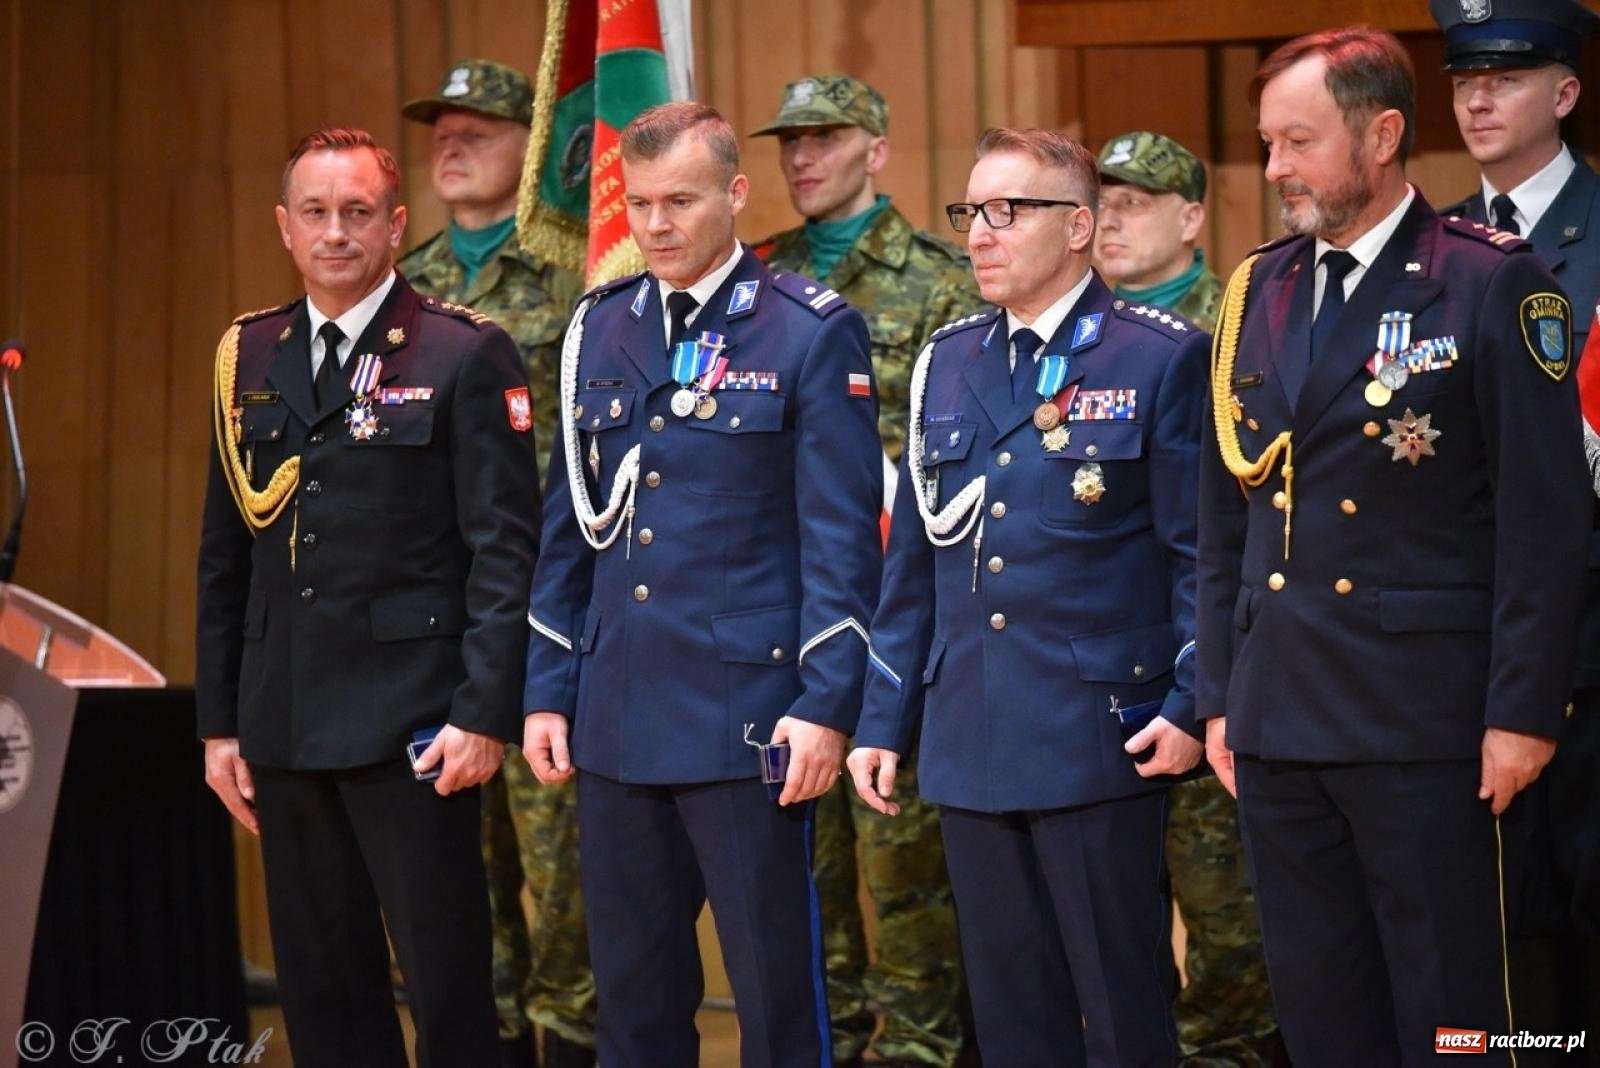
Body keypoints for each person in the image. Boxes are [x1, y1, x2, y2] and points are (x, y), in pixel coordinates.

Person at [1197, 27, 1590, 1066]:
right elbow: (1224, 521)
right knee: (1321, 1015)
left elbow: (1545, 525)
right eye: (1267, 143)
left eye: (1298, 142)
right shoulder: (1257, 289)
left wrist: (1521, 712)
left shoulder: (1487, 281)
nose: (1274, 168)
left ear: (1380, 136)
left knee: (1454, 1021)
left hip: (1423, 719)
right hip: (1278, 717)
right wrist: (1221, 695)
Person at [521, 102, 883, 1068]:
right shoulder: (600, 326)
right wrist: (549, 689)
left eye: (680, 201)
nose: (656, 225)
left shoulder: (806, 331)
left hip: (749, 715)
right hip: (616, 713)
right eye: (640, 203)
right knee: (632, 1002)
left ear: (735, 194)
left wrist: (826, 704)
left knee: (773, 996)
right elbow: (569, 526)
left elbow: (842, 540)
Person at [849, 126, 1209, 1067]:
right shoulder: (949, 360)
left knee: (1123, 1012)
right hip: (969, 734)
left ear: (1079, 226)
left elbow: (1201, 555)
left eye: (1008, 211)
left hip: (1099, 737)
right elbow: (915, 564)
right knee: (1011, 1019)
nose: (979, 233)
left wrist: (1191, 702)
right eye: (971, 211)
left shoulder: (1157, 356)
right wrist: (883, 719)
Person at [196, 127, 540, 1067]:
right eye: (315, 212)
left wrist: (483, 713)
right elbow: (225, 556)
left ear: (396, 225)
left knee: (447, 987)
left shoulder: (464, 353)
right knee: (324, 993)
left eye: (357, 212)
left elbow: (505, 552)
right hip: (285, 720)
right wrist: (220, 724)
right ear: (285, 226)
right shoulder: (248, 355)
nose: (335, 232)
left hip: (416, 726)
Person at [748, 74, 976, 1068]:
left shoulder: (943, 277)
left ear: (877, 150)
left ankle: (925, 1048)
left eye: (826, 138)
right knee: (802, 873)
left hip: (900, 619)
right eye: (789, 141)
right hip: (784, 618)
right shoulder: (756, 279)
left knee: (906, 873)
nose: (802, 157)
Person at [399, 58, 594, 1068]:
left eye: (478, 125)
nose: (452, 140)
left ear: (536, 148)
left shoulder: (579, 276)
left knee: (565, 877)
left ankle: (573, 1045)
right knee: (454, 878)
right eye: (441, 126)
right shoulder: (401, 288)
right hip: (434, 621)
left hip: (552, 612)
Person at [1094, 130, 1282, 1068]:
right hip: (1104, 674)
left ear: (1193, 219)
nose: (1111, 220)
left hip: (1218, 664)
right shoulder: (1074, 335)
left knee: (1226, 917)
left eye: (1136, 202)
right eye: (1102, 201)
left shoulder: (1245, 326)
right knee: (1113, 924)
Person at [1430, 0, 1600, 1035]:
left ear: (1565, 92)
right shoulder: (1436, 248)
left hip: (1589, 641)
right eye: (1463, 81)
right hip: (1464, 649)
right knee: (1493, 938)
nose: (1478, 100)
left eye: (1505, 78)